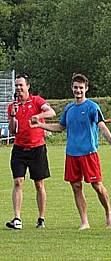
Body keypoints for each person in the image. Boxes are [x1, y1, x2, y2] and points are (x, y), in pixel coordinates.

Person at [31, 73, 111, 230]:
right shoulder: (69, 108)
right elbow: (60, 128)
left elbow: (102, 126)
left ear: (86, 89)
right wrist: (40, 125)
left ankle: (109, 213)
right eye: (76, 87)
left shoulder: (92, 107)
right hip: (72, 154)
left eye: (81, 88)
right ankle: (84, 221)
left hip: (89, 153)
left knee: (97, 185)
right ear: (72, 88)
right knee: (76, 186)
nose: (78, 90)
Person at [4, 73, 56, 230]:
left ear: (28, 86)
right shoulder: (12, 106)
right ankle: (17, 218)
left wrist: (37, 116)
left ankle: (41, 218)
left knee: (39, 184)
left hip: (37, 148)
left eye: (21, 85)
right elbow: (13, 131)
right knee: (18, 181)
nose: (19, 88)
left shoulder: (37, 101)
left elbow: (51, 112)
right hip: (19, 148)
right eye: (17, 85)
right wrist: (13, 117)